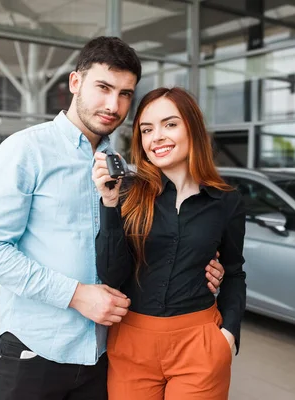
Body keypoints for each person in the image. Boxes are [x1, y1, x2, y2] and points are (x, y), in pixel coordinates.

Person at [0, 37, 226, 400]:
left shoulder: (129, 170)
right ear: (75, 83)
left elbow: (144, 250)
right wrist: (76, 295)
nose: (113, 105)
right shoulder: (25, 150)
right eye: (103, 88)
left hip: (105, 353)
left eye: (125, 94)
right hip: (38, 348)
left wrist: (201, 265)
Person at [93, 87, 246, 400]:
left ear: (192, 128)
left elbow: (233, 271)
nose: (156, 137)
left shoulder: (226, 201)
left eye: (169, 124)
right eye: (147, 129)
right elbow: (111, 275)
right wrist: (109, 203)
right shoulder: (125, 192)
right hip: (132, 342)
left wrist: (228, 334)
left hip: (199, 342)